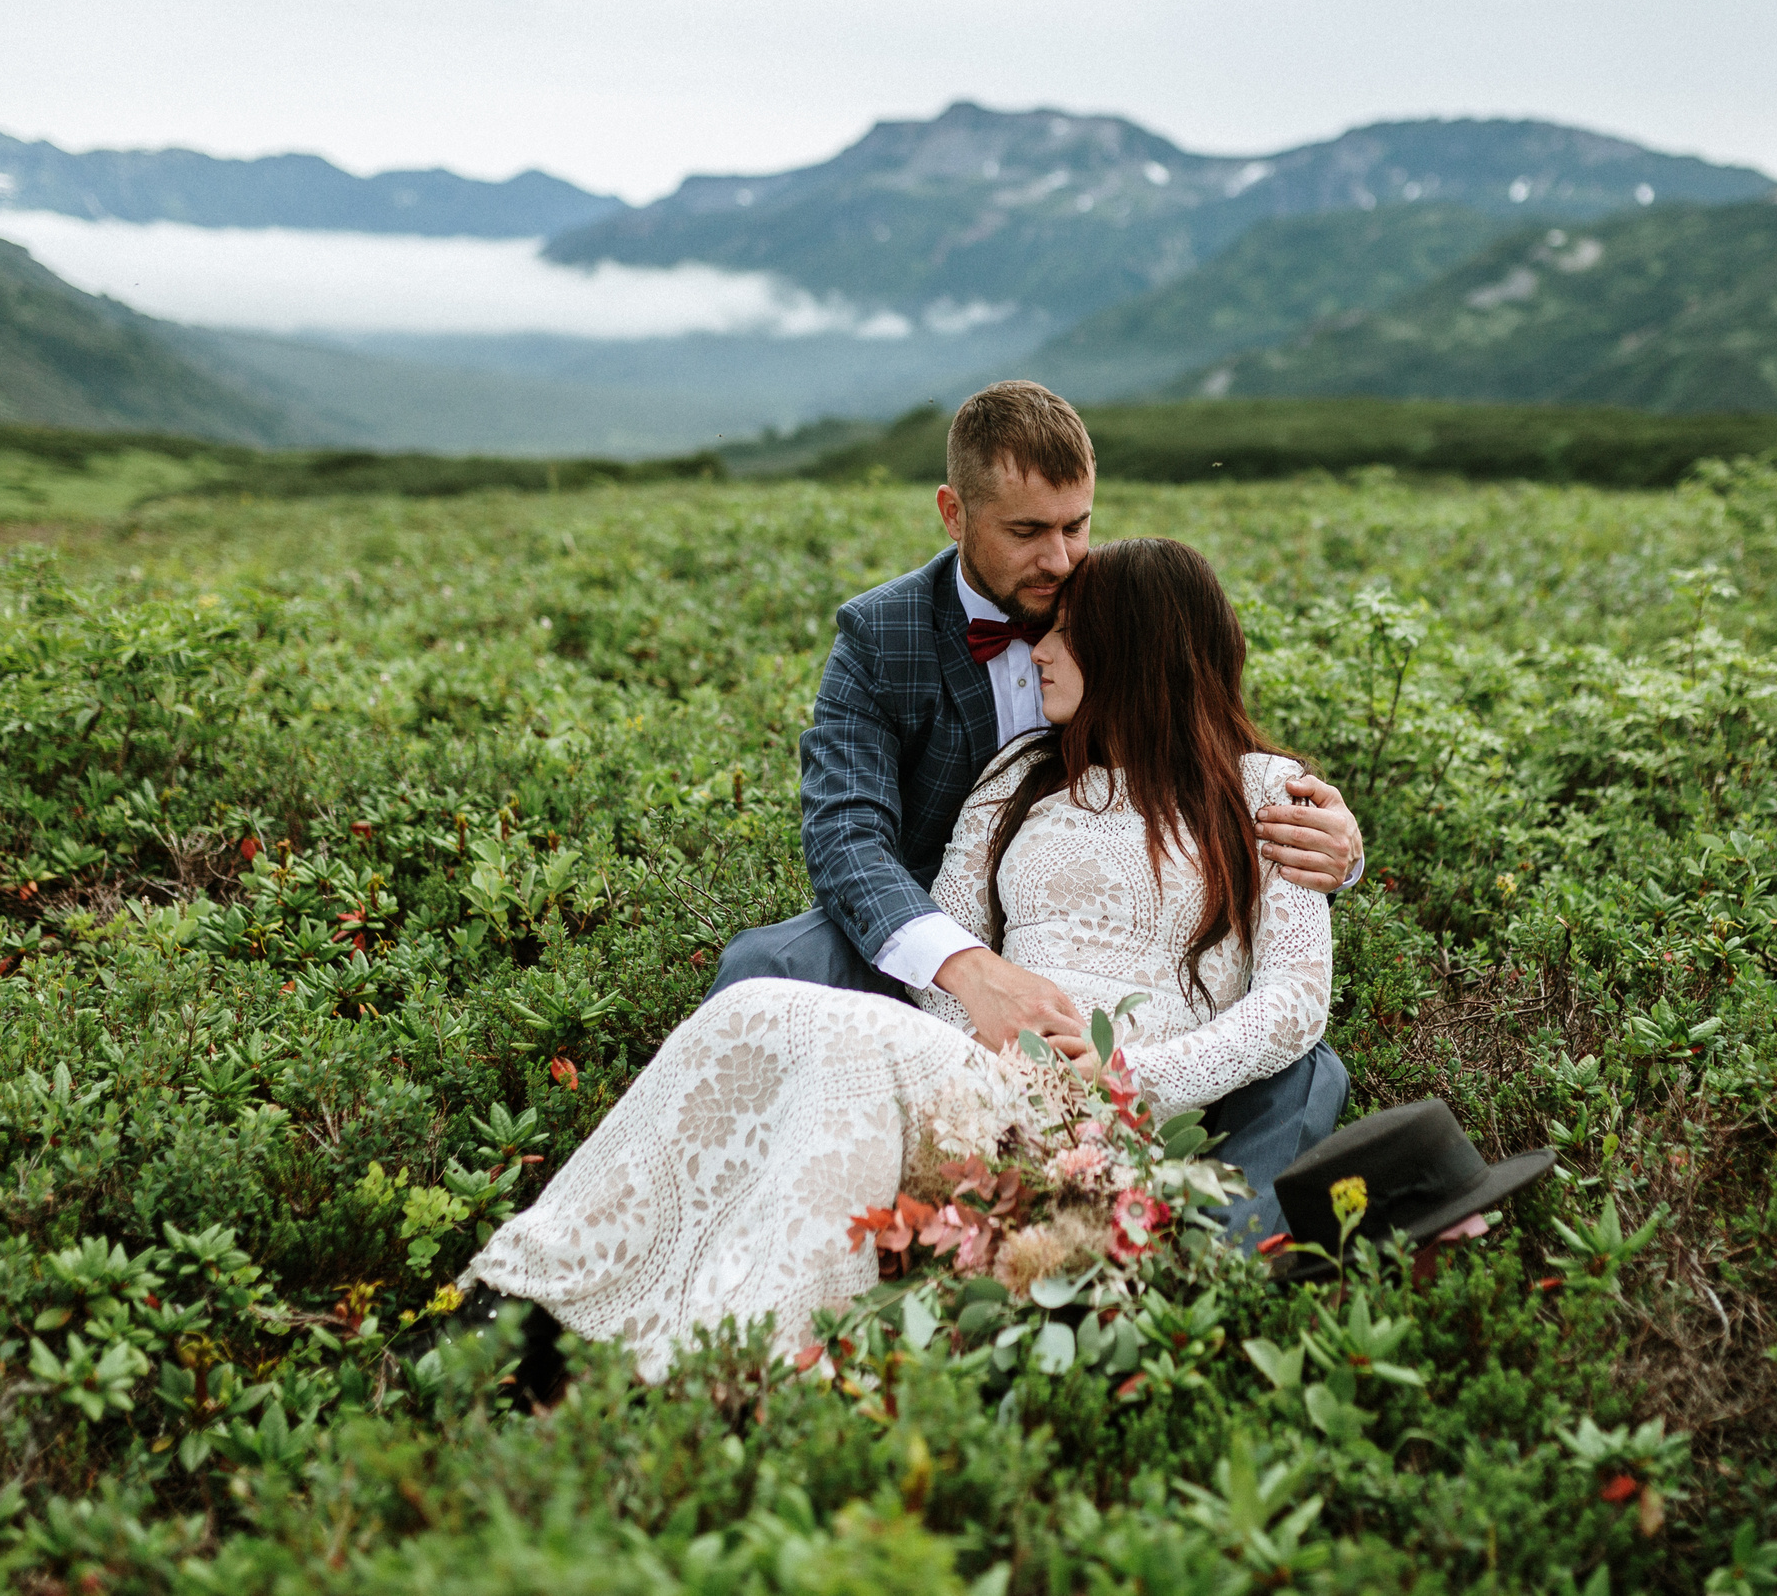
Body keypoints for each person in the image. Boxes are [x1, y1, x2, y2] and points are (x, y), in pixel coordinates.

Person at [460, 537, 1333, 1376]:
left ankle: (762, 1349)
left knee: (844, 1056)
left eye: (1068, 630)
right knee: (748, 1003)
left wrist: (1124, 1079)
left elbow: (1294, 999)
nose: (1040, 647)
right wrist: (994, 1063)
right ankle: (531, 1290)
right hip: (978, 1077)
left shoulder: (1265, 792)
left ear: (1137, 647)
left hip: (1121, 1107)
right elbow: (949, 939)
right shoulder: (1017, 775)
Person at [711, 381, 1358, 1228]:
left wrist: (1333, 847)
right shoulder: (883, 634)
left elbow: (1200, 754)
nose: (1060, 559)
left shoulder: (1126, 602)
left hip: (1137, 1009)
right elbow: (847, 834)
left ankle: (1207, 1259)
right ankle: (753, 1204)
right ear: (954, 512)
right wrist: (967, 971)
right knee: (772, 967)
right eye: (1026, 531)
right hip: (921, 926)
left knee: (1312, 1068)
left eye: (1077, 525)